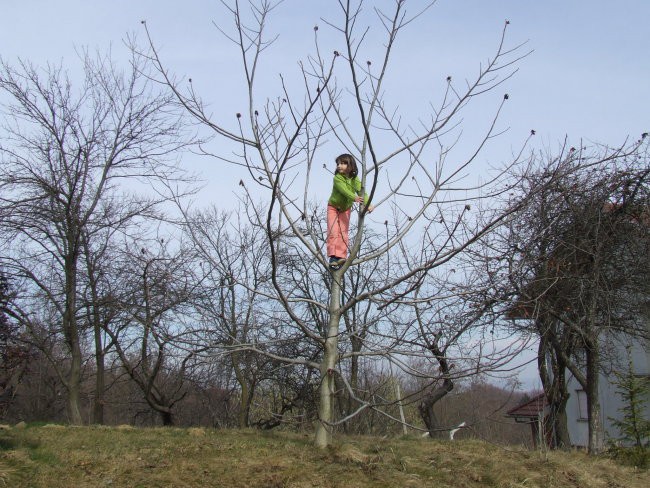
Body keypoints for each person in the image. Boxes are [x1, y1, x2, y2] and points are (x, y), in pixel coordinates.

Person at [326, 153, 374, 269]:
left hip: (345, 209)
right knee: (333, 231)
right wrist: (354, 198)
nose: (339, 166)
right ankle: (333, 256)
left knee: (343, 232)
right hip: (333, 207)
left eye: (342, 163)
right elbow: (343, 190)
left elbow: (362, 192)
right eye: (338, 164)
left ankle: (341, 256)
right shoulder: (337, 178)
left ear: (350, 165)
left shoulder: (355, 179)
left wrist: (368, 204)